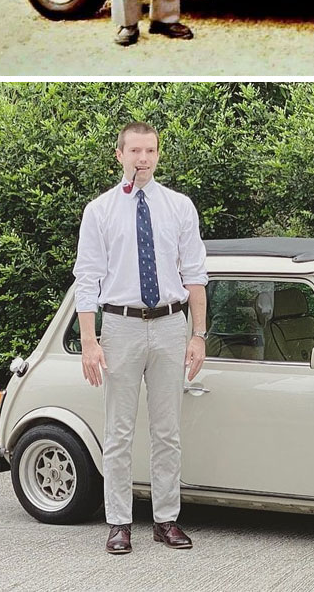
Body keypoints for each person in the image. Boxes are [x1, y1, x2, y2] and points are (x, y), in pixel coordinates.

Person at [73, 121, 208, 554]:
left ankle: (166, 519)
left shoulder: (180, 207)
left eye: (150, 151)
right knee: (119, 431)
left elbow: (195, 276)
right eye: (135, 151)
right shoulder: (100, 211)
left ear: (158, 155)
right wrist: (90, 341)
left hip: (171, 326)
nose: (143, 159)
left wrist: (198, 335)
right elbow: (87, 279)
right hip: (120, 327)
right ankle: (119, 523)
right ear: (120, 156)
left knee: (167, 431)